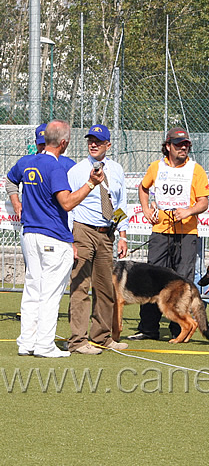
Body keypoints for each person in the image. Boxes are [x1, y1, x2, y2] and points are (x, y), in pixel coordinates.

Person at [7, 119, 103, 358]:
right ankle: (44, 345)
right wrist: (91, 183)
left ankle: (27, 342)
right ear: (63, 142)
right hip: (52, 236)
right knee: (50, 293)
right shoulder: (56, 167)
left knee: (32, 289)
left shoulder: (29, 162)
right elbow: (67, 202)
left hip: (30, 233)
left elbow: (12, 181)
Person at [127, 127, 209, 341]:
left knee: (182, 280)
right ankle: (148, 328)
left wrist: (189, 211)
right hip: (160, 231)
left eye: (186, 145)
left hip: (187, 232)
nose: (183, 148)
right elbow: (143, 187)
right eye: (178, 144)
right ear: (167, 146)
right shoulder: (156, 167)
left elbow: (204, 202)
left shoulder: (196, 169)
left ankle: (179, 329)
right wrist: (146, 209)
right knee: (151, 280)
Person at [66, 124, 129, 354]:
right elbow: (69, 205)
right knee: (80, 287)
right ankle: (78, 340)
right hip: (82, 231)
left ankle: (102, 336)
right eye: (90, 140)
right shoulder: (76, 171)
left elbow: (120, 203)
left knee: (105, 288)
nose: (93, 144)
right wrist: (71, 238)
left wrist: (122, 235)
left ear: (108, 145)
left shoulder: (117, 170)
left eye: (98, 141)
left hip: (107, 233)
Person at [7, 123, 75, 220]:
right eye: (41, 144)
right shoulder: (25, 162)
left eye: (46, 143)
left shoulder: (66, 164)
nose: (44, 147)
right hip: (30, 221)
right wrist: (16, 203)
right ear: (35, 143)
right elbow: (11, 180)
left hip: (58, 220)